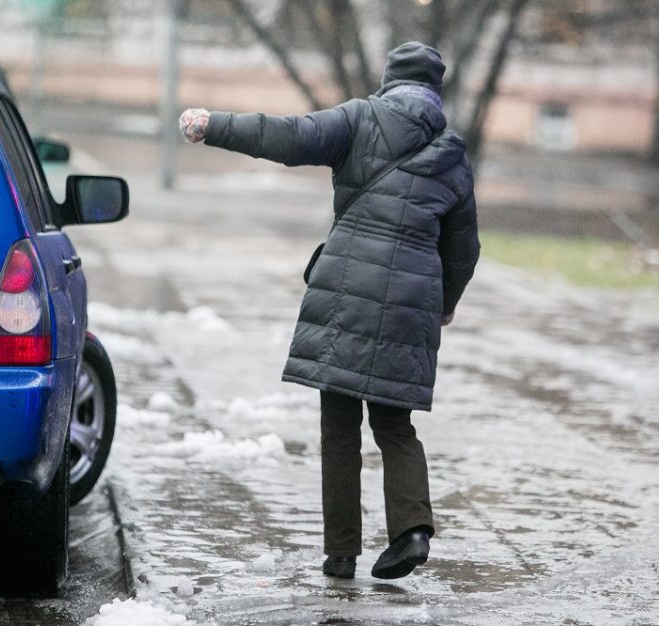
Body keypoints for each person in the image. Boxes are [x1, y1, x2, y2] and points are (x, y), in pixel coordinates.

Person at [178, 41, 480, 580]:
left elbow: (290, 137)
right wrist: (445, 305)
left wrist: (215, 124)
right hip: (412, 303)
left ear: (390, 80)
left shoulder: (360, 118)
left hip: (345, 290)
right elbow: (464, 248)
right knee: (394, 424)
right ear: (435, 91)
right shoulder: (453, 156)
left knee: (339, 424)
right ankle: (411, 531)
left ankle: (341, 552)